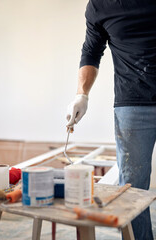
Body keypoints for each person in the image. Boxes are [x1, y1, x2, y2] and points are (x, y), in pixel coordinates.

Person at [66, 0, 156, 239]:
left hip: (133, 104)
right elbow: (91, 51)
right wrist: (81, 95)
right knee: (132, 189)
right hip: (132, 104)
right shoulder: (100, 5)